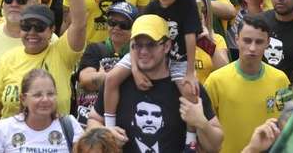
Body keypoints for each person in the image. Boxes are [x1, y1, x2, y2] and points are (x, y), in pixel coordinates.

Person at [102, 0, 200, 148]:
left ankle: (190, 139)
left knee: (190, 92)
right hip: (148, 52)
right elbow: (135, 38)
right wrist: (136, 70)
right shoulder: (152, 6)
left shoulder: (188, 1)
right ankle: (109, 127)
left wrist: (190, 72)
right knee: (112, 77)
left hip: (178, 57)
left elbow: (190, 36)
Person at [89, 15, 223, 152]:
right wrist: (106, 134)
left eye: (151, 45)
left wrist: (201, 123)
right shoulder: (120, 82)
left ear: (166, 46)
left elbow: (215, 146)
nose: (143, 51)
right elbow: (94, 120)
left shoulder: (186, 86)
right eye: (138, 45)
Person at [0, 0, 86, 135]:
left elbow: (79, 23)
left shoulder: (61, 54)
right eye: (26, 26)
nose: (32, 32)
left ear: (51, 31)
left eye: (39, 27)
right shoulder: (8, 59)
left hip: (53, 143)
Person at [203, 14, 290, 153]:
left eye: (259, 42)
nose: (252, 48)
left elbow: (288, 125)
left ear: (268, 43)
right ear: (237, 40)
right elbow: (204, 131)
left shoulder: (280, 80)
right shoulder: (216, 81)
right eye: (247, 41)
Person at [75, 2, 139, 125]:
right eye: (112, 22)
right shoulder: (94, 49)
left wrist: (103, 77)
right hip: (90, 117)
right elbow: (85, 80)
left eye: (124, 25)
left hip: (124, 118)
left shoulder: (140, 54)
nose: (116, 28)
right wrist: (119, 77)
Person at [0, 69, 83, 152]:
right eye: (38, 95)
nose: (45, 99)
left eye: (50, 94)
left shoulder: (70, 125)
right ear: (23, 99)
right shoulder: (4, 128)